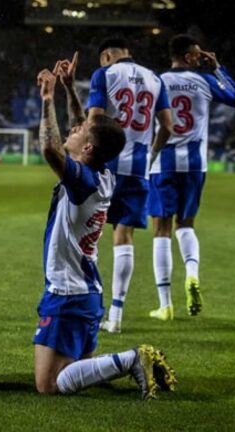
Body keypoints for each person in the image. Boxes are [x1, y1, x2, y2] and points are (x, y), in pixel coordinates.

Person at [32, 61, 176, 400]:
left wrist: (48, 99)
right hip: (87, 293)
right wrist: (70, 89)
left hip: (67, 295)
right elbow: (86, 129)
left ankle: (130, 360)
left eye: (79, 133)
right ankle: (120, 363)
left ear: (88, 151)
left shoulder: (82, 182)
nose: (74, 129)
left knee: (48, 385)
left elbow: (50, 148)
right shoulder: (103, 172)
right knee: (72, 375)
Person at [149, 35, 235, 321]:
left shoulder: (158, 81)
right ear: (191, 56)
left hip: (163, 163)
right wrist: (217, 68)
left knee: (161, 229)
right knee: (186, 224)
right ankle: (191, 274)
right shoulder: (204, 81)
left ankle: (165, 305)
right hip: (194, 165)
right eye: (197, 54)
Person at [86, 37, 174, 333]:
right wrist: (151, 154)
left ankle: (90, 308)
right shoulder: (155, 78)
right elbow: (169, 126)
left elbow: (95, 120)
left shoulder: (104, 74)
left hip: (107, 164)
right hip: (138, 167)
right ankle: (116, 317)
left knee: (89, 235)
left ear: (107, 55)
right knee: (124, 236)